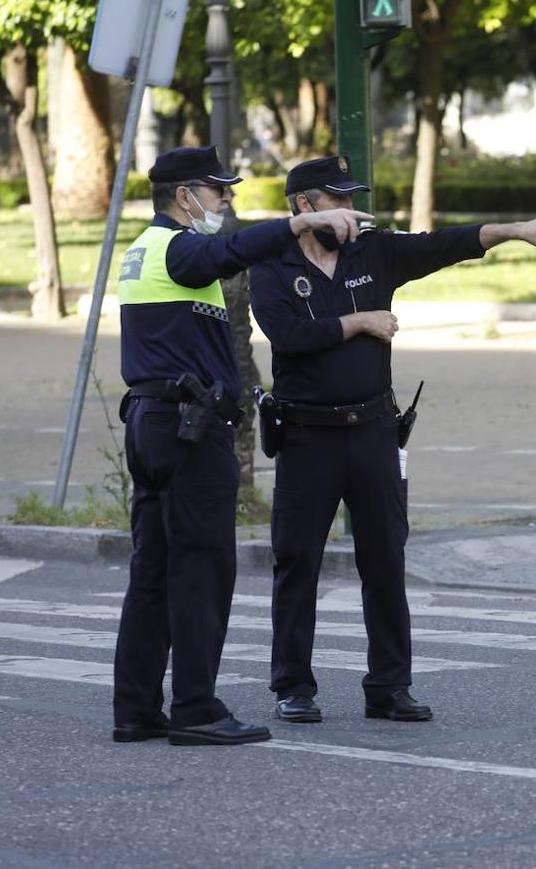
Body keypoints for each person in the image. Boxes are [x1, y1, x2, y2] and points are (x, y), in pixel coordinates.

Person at [249, 155, 536, 724]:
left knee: (385, 561)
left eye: (350, 198)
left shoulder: (373, 251)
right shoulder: (271, 265)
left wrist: (518, 232)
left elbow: (448, 242)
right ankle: (294, 686)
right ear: (302, 207)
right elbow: (287, 335)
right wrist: (361, 322)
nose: (349, 209)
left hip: (374, 431)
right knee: (297, 561)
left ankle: (389, 686)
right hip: (306, 436)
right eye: (336, 199)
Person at [112, 145, 372, 745]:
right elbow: (228, 251)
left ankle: (136, 707)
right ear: (185, 196)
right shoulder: (177, 249)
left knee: (153, 572)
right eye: (218, 189)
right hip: (188, 431)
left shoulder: (143, 251)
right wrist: (301, 222)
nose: (227, 199)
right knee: (202, 567)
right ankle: (197, 709)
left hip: (153, 423)